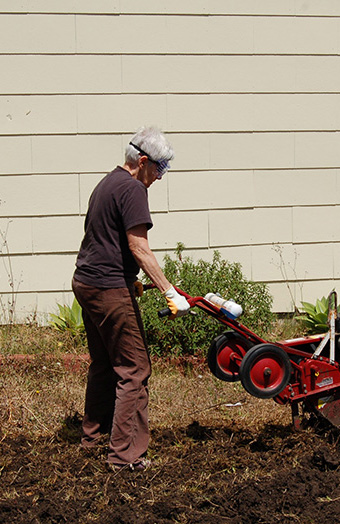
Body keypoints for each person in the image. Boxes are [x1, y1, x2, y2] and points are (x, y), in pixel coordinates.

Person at [72, 126, 190, 471]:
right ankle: (125, 457)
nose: (159, 176)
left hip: (87, 282)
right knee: (135, 369)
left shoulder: (107, 183)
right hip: (107, 288)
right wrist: (170, 291)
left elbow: (104, 239)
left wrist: (130, 279)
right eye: (159, 168)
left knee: (105, 364)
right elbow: (139, 247)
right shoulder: (134, 189)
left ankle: (93, 437)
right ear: (142, 161)